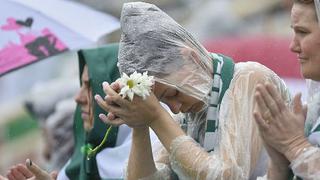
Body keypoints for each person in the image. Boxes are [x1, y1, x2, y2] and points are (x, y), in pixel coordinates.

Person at [94, 2, 291, 179]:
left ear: (191, 58)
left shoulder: (250, 78)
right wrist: (140, 125)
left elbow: (228, 175)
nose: (175, 108)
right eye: (164, 102)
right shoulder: (184, 116)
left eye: (173, 94)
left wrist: (156, 117)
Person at [3, 44, 134, 180]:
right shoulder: (80, 166)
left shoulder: (148, 160)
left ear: (118, 90)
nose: (78, 98)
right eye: (81, 85)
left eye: (90, 86)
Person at [254, 0, 320, 179]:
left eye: (303, 32)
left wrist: (295, 145)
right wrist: (279, 164)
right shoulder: (313, 112)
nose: (293, 46)